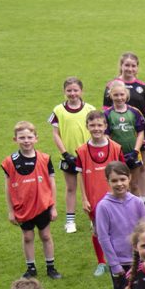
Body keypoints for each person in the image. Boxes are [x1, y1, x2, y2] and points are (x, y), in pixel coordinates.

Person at [3, 121, 61, 280]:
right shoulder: (10, 161)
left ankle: (51, 267)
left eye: (29, 137)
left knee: (46, 236)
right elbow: (8, 187)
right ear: (15, 139)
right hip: (22, 207)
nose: (26, 140)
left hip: (43, 205)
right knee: (28, 237)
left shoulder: (44, 158)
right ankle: (31, 268)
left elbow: (52, 183)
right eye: (22, 137)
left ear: (36, 138)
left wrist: (53, 206)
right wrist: (10, 211)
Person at [95, 162, 145, 289]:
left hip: (139, 258)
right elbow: (103, 237)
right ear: (108, 181)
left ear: (130, 178)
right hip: (119, 261)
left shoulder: (138, 203)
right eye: (114, 180)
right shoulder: (103, 206)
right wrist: (114, 264)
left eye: (123, 179)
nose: (119, 184)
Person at [75, 110, 122, 275]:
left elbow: (123, 173)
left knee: (116, 229)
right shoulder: (81, 151)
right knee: (98, 230)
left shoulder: (115, 148)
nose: (96, 128)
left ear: (106, 126)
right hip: (94, 199)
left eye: (99, 125)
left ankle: (116, 260)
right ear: (87, 126)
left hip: (114, 197)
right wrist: (83, 198)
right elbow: (80, 175)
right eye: (92, 125)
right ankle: (101, 262)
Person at [49, 76, 96, 234]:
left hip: (88, 156)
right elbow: (55, 134)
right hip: (68, 157)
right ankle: (70, 221)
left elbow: (97, 129)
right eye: (69, 90)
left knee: (90, 188)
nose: (72, 93)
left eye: (75, 90)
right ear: (64, 91)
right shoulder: (58, 110)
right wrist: (65, 153)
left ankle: (93, 218)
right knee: (71, 188)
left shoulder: (90, 109)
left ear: (81, 91)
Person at [104, 81, 145, 199]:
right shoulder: (107, 114)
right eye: (116, 95)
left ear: (126, 95)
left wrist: (135, 151)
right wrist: (115, 151)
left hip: (133, 154)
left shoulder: (134, 112)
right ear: (111, 96)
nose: (119, 98)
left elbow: (140, 133)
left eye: (122, 94)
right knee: (120, 186)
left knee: (134, 185)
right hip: (116, 156)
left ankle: (138, 211)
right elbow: (106, 136)